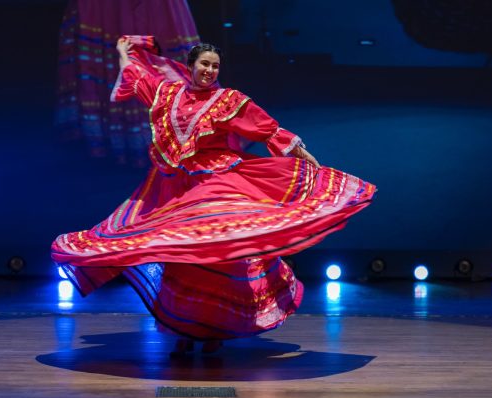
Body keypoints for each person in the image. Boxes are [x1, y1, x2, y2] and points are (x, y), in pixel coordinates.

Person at [52, 35, 376, 355]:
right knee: (184, 258)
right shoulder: (166, 93)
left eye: (215, 66)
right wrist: (125, 52)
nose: (209, 70)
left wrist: (299, 151)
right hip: (177, 191)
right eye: (204, 64)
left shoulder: (228, 100)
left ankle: (215, 333)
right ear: (191, 66)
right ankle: (184, 331)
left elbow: (264, 127)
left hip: (216, 182)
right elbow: (137, 77)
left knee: (221, 253)